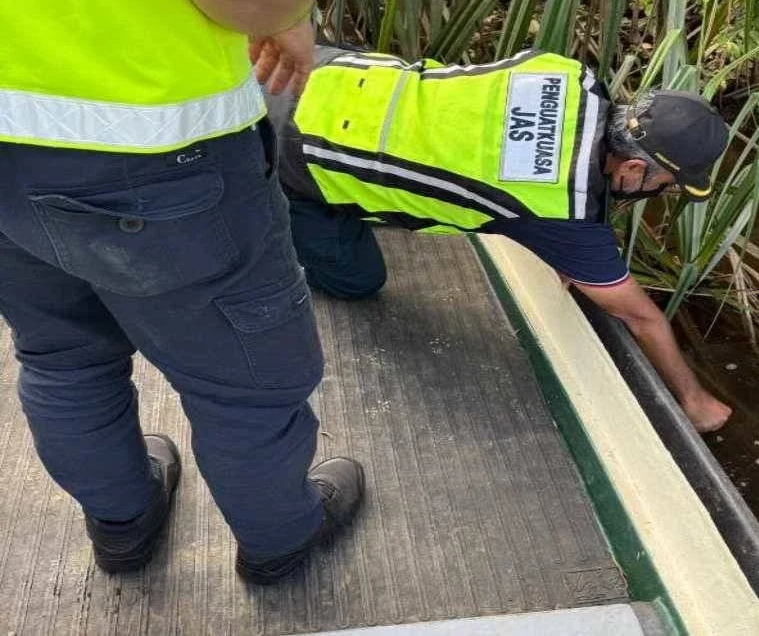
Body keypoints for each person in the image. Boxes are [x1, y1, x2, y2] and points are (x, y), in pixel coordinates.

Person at [0, 0, 363, 585]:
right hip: (153, 152)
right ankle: (280, 537)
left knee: (62, 356)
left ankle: (122, 523)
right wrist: (284, 16)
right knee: (244, 383)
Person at [266, 45, 734, 432]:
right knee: (358, 280)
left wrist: (573, 255)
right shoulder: (560, 206)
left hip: (313, 68)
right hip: (291, 152)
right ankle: (269, 222)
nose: (661, 192)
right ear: (632, 167)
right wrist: (695, 401)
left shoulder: (570, 74)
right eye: (665, 184)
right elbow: (640, 317)